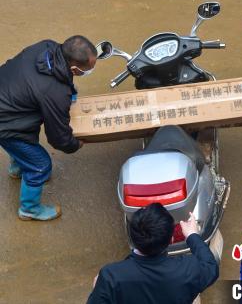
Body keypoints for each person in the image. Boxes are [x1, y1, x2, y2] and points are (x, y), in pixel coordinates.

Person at [0, 36, 97, 221]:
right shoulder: (54, 92)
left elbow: (58, 80)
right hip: (5, 121)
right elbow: (57, 137)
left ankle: (17, 168)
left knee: (24, 138)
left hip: (7, 95)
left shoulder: (47, 46)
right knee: (40, 165)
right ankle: (29, 210)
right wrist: (74, 144)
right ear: (75, 68)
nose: (91, 70)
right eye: (88, 69)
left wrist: (70, 94)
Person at [87, 203, 219, 304]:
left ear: (131, 237)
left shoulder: (110, 276)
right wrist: (192, 235)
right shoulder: (188, 269)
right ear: (171, 239)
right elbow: (211, 266)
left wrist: (97, 288)